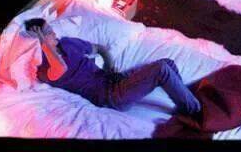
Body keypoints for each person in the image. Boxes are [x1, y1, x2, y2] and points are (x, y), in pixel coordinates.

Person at [24, 18, 201, 115]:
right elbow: (61, 67)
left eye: (51, 29)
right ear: (39, 41)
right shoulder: (44, 68)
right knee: (161, 69)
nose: (53, 33)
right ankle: (195, 112)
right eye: (48, 33)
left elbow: (100, 49)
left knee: (167, 62)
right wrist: (43, 44)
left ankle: (187, 99)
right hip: (109, 96)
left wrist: (109, 68)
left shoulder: (67, 43)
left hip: (113, 80)